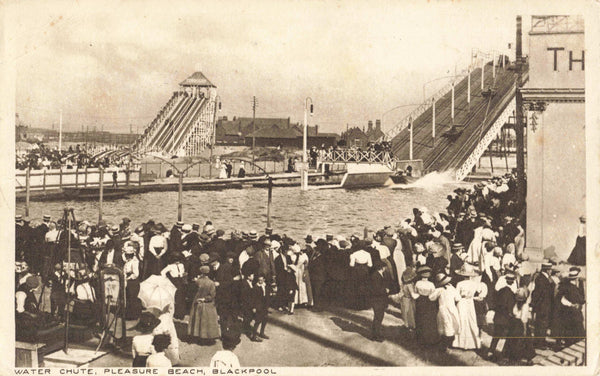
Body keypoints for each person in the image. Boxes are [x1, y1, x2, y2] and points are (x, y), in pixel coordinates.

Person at [452, 264, 484, 350]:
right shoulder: (474, 284)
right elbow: (481, 292)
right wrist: (474, 297)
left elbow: (457, 295)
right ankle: (473, 343)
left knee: (462, 320)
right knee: (471, 320)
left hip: (461, 302)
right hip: (470, 302)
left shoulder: (459, 284)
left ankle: (460, 343)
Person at [487, 272, 517, 360]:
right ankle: (504, 354)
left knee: (496, 336)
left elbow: (495, 303)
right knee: (508, 336)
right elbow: (510, 307)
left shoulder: (500, 291)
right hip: (506, 318)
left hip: (498, 317)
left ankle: (490, 351)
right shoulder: (511, 294)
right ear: (512, 281)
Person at [188, 265, 221, 343]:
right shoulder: (211, 283)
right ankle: (206, 337)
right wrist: (205, 299)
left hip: (197, 302)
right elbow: (212, 295)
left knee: (197, 320)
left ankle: (197, 336)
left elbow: (192, 292)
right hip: (208, 304)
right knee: (207, 322)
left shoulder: (197, 281)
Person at [503, 287, 535, 365]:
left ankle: (511, 358)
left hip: (515, 324)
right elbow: (524, 318)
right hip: (521, 324)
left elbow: (513, 313)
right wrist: (524, 329)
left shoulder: (516, 304)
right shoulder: (525, 306)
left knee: (513, 341)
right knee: (525, 342)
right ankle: (527, 359)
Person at [429, 273, 461, 352]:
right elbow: (458, 298)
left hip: (443, 309)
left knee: (444, 324)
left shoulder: (439, 290)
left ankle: (444, 344)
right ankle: (450, 342)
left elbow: (431, 298)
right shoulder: (452, 288)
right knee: (452, 324)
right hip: (452, 308)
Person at [530, 261, 555, 349]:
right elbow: (537, 293)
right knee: (541, 324)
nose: (551, 271)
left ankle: (542, 340)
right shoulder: (541, 279)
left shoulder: (546, 278)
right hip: (542, 306)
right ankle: (539, 343)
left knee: (543, 324)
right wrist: (533, 304)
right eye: (550, 269)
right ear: (547, 270)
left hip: (546, 305)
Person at [414, 266, 439, 346]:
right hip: (429, 301)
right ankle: (429, 338)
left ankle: (420, 337)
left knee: (420, 318)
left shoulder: (418, 283)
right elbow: (433, 293)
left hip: (420, 301)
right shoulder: (431, 284)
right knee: (429, 319)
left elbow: (416, 291)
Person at [161, 252, 187, 320]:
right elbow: (162, 272)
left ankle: (181, 314)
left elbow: (183, 272)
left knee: (181, 297)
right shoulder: (170, 266)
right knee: (175, 297)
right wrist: (166, 279)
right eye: (176, 260)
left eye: (178, 260)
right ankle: (176, 313)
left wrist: (183, 275)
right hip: (174, 281)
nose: (177, 262)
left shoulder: (181, 265)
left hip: (181, 281)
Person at [370, 260, 389, 342]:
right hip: (377, 300)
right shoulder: (376, 276)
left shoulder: (378, 274)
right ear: (382, 268)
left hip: (378, 300)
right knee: (378, 317)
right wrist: (385, 290)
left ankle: (375, 334)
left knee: (378, 317)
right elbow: (376, 289)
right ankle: (376, 335)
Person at [123, 247, 142, 320]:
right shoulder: (127, 262)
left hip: (133, 281)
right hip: (128, 280)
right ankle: (129, 314)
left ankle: (134, 315)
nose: (127, 256)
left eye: (128, 255)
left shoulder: (134, 262)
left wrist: (129, 278)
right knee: (128, 297)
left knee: (132, 298)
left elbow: (136, 273)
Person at [251, 274, 271, 341]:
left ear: (264, 280)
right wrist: (254, 307)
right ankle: (254, 336)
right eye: (259, 280)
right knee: (258, 321)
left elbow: (267, 296)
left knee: (265, 319)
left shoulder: (266, 286)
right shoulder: (255, 287)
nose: (260, 281)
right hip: (258, 306)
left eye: (261, 280)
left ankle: (262, 333)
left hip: (264, 306)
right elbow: (253, 298)